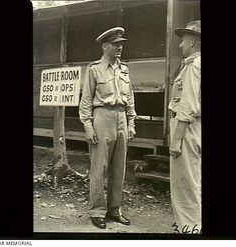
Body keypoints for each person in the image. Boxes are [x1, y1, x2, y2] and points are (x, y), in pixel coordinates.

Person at [79, 27, 136, 229]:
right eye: (115, 44)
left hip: (121, 117)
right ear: (105, 46)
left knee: (119, 168)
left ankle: (114, 210)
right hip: (102, 117)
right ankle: (97, 211)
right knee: (99, 167)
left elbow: (130, 98)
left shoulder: (125, 69)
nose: (120, 47)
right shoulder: (94, 69)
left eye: (121, 44)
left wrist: (131, 122)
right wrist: (88, 126)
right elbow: (86, 100)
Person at [168, 20, 201, 234]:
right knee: (195, 180)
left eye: (183, 42)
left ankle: (188, 230)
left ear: (193, 41)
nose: (180, 46)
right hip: (196, 127)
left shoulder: (193, 67)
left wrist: (176, 139)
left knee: (185, 185)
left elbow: (188, 105)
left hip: (187, 129)